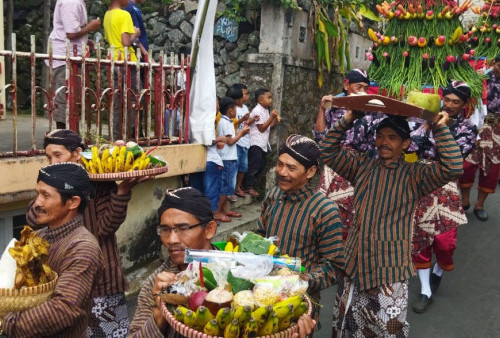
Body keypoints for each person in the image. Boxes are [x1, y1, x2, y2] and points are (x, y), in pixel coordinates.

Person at [320, 110, 463, 337]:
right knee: (347, 325)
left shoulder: (415, 174)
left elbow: (454, 167)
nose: (383, 142)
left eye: (392, 138)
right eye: (380, 136)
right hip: (353, 264)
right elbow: (326, 150)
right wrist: (349, 117)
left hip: (390, 268)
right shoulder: (361, 166)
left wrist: (439, 127)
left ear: (406, 143)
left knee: (389, 329)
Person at [129, 187, 317, 337]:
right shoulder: (156, 283)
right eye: (165, 230)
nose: (171, 240)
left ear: (209, 229)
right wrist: (160, 309)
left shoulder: (246, 272)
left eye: (182, 228)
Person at [25, 129, 142, 337]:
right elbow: (33, 220)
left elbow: (105, 228)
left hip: (103, 280)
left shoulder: (99, 181)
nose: (52, 161)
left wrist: (122, 192)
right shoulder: (52, 182)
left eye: (58, 155)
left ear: (77, 153)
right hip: (65, 280)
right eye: (48, 156)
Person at [1, 163, 102, 337]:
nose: (37, 203)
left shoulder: (83, 248)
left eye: (46, 195)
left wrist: (6, 324)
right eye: (37, 193)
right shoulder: (38, 236)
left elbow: (63, 309)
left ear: (73, 202)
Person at [257, 134, 345, 322]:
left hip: (299, 305)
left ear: (311, 171)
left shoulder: (325, 210)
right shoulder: (272, 196)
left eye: (291, 167)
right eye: (280, 164)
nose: (281, 172)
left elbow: (333, 266)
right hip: (261, 294)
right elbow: (259, 235)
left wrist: (299, 282)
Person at [409, 81, 477, 313]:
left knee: (445, 242)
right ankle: (425, 290)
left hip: (447, 185)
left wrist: (441, 128)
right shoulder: (425, 121)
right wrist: (427, 127)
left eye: (455, 102)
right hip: (420, 183)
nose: (448, 105)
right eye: (446, 100)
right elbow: (410, 149)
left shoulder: (468, 129)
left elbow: (454, 157)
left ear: (464, 105)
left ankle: (439, 269)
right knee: (419, 239)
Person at [313, 69, 385, 240]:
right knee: (328, 213)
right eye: (358, 86)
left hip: (360, 169)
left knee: (354, 216)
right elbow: (320, 137)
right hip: (334, 166)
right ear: (346, 84)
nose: (362, 91)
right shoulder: (335, 105)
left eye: (366, 88)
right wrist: (322, 110)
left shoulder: (373, 110)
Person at [47, 0, 101, 129]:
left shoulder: (77, 2)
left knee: (72, 96)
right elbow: (70, 34)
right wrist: (91, 27)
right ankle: (63, 134)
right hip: (64, 56)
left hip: (71, 54)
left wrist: (86, 41)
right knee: (64, 96)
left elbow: (73, 28)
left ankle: (70, 132)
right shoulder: (72, 3)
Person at [460, 55, 500, 221]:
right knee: (468, 164)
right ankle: (465, 200)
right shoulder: (480, 78)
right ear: (493, 64)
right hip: (477, 125)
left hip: (497, 129)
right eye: (499, 65)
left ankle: (480, 204)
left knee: (491, 168)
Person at [103, 0, 142, 139]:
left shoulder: (107, 15)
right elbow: (125, 42)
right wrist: (136, 34)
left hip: (114, 59)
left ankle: (115, 134)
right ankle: (128, 134)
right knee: (132, 99)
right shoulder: (124, 15)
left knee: (117, 99)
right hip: (127, 61)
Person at [216, 97, 250, 219]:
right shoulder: (225, 122)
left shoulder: (227, 121)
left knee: (227, 186)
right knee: (226, 187)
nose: (236, 111)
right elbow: (230, 141)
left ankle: (224, 209)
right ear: (230, 110)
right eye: (235, 109)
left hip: (229, 157)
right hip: (227, 158)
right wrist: (242, 133)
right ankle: (217, 212)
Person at [244, 88, 280, 197]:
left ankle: (248, 184)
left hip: (262, 143)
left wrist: (275, 121)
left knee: (261, 165)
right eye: (268, 97)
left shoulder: (265, 110)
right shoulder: (257, 111)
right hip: (256, 142)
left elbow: (267, 125)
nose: (271, 100)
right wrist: (272, 117)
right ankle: (248, 186)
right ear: (260, 100)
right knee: (254, 166)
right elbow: (261, 128)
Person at [229, 83, 258, 198]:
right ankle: (232, 188)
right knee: (235, 167)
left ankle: (238, 186)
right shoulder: (232, 109)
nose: (248, 96)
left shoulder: (245, 108)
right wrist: (242, 119)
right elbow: (233, 125)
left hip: (245, 142)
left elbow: (245, 123)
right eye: (245, 94)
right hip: (237, 141)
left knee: (243, 167)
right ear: (238, 97)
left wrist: (250, 121)